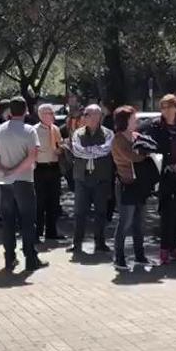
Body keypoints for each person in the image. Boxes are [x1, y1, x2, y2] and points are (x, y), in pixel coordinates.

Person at [0, 97, 48, 271]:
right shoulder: (29, 131)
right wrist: (15, 171)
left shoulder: (1, 129)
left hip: (5, 182)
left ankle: (9, 258)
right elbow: (31, 157)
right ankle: (30, 258)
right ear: (26, 111)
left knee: (8, 221)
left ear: (10, 111)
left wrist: (1, 168)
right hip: (24, 181)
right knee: (28, 221)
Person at [144, 95, 176, 263]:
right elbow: (150, 148)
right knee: (167, 212)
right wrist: (166, 164)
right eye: (163, 107)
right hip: (163, 174)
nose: (166, 111)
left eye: (169, 107)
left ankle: (175, 248)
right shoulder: (155, 127)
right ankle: (164, 250)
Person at [68, 104, 114, 255]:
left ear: (100, 117)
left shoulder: (108, 133)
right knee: (79, 212)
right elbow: (77, 151)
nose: (93, 118)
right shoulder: (77, 134)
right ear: (84, 117)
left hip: (101, 179)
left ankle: (100, 243)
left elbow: (106, 149)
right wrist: (95, 151)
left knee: (101, 212)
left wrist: (89, 151)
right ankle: (77, 243)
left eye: (96, 115)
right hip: (82, 178)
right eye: (89, 115)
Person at [111, 106, 153, 270]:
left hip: (140, 184)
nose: (136, 121)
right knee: (125, 222)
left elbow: (150, 147)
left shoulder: (136, 136)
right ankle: (119, 257)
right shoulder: (118, 139)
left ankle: (139, 255)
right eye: (133, 118)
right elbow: (134, 157)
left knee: (140, 222)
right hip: (125, 184)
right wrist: (146, 154)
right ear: (125, 121)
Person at [34, 104, 65, 241]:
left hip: (54, 167)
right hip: (40, 168)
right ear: (41, 115)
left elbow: (59, 146)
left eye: (53, 113)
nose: (52, 115)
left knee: (53, 201)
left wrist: (61, 149)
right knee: (39, 202)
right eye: (49, 113)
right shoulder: (34, 131)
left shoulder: (56, 129)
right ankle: (37, 231)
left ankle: (51, 231)